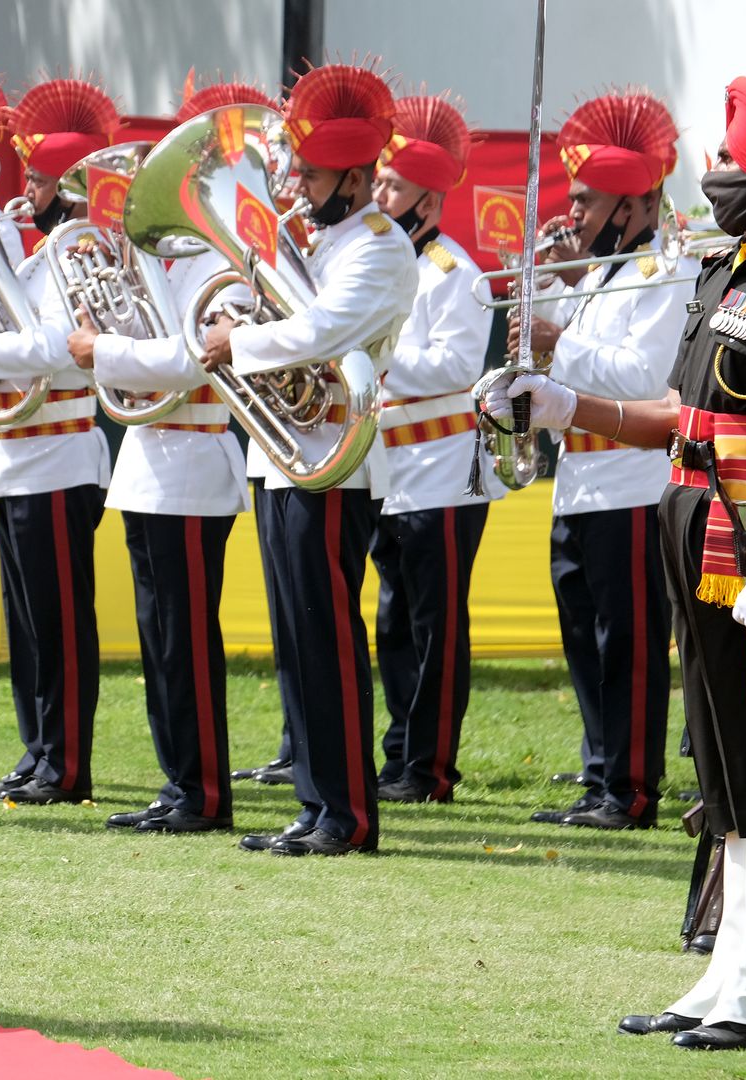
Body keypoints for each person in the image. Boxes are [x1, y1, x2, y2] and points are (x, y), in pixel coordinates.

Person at [484, 71, 746, 1053]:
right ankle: (734, 966)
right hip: (697, 530)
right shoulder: (726, 273)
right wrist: (567, 406)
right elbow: (678, 415)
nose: (715, 169)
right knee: (726, 765)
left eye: (734, 157)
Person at [201, 61, 417, 856]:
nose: (300, 185)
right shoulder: (321, 241)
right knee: (297, 640)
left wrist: (240, 338)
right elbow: (286, 314)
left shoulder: (380, 248)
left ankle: (349, 815)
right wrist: (239, 305)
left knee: (326, 639)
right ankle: (316, 803)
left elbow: (324, 332)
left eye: (315, 175)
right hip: (285, 451)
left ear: (355, 179)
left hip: (333, 457)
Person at [73, 76, 276, 835]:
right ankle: (180, 783)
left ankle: (204, 793)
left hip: (191, 464)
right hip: (150, 464)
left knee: (185, 642)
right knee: (160, 643)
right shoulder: (165, 261)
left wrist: (105, 350)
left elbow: (200, 359)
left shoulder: (222, 258)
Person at [517, 90, 691, 830]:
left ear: (633, 204)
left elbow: (642, 377)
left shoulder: (664, 272)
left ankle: (632, 788)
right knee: (585, 639)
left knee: (629, 646)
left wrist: (559, 340)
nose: (574, 213)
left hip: (631, 480)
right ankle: (602, 777)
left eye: (587, 200)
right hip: (580, 482)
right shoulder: (599, 274)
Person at [0, 76, 120, 805]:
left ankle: (66, 765)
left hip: (58, 453)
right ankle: (38, 750)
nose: (28, 192)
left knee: (59, 624)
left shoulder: (86, 251)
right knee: (25, 624)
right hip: (17, 452)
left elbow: (57, 347)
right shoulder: (38, 253)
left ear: (73, 186)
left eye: (42, 181)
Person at [368, 92, 497, 803]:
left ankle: (429, 768)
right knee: (394, 623)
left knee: (434, 627)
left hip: (444, 472)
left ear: (426, 198)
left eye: (391, 185)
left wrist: (371, 357)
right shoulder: (386, 265)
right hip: (391, 471)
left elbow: (455, 366)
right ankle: (400, 755)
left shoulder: (456, 272)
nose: (377, 194)